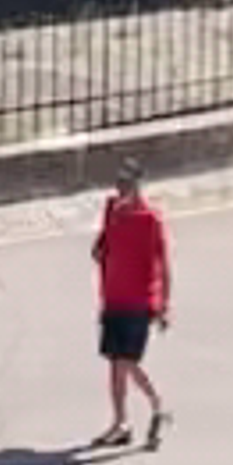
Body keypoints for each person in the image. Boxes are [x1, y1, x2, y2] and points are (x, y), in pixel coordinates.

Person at [89, 169, 170, 447]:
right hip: (113, 297)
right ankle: (121, 423)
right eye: (118, 188)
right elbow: (103, 242)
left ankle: (157, 405)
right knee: (115, 362)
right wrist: (99, 249)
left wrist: (163, 306)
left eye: (126, 189)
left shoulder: (150, 221)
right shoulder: (112, 208)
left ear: (137, 189)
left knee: (126, 361)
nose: (120, 195)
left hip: (139, 301)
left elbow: (162, 264)